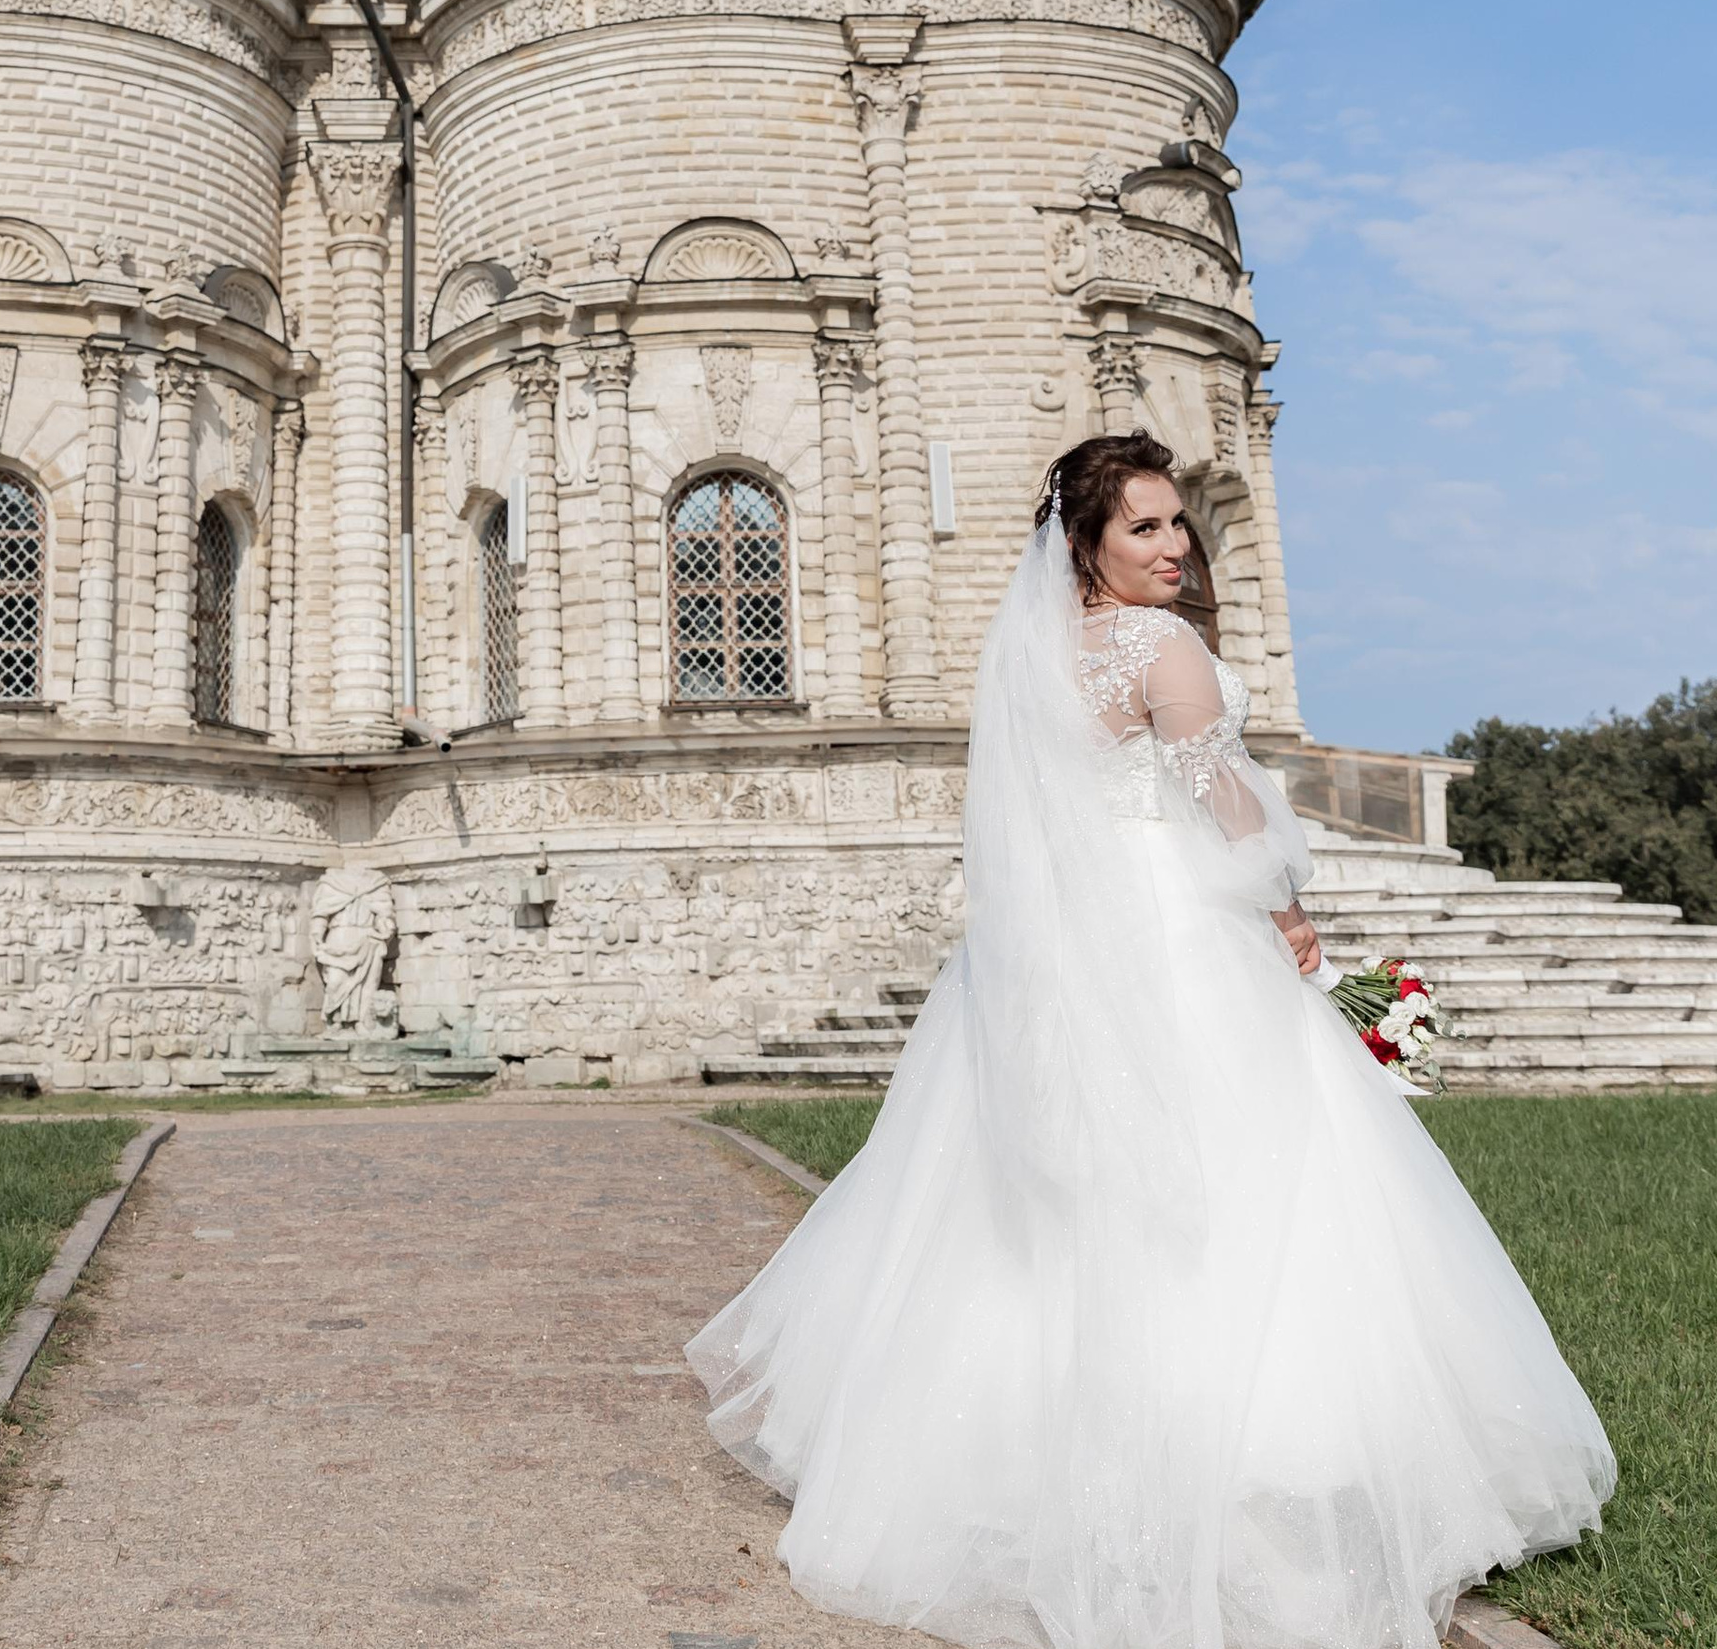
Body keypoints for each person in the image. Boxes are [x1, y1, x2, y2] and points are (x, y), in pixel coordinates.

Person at [688, 432, 1614, 1648]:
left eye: (1177, 524)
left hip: (1056, 947)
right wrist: (1294, 917)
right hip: (1179, 934)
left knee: (1037, 1198)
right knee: (1244, 1179)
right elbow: (1223, 799)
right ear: (1087, 540)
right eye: (1144, 528)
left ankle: (1011, 1463)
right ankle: (1255, 1460)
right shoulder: (1159, 646)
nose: (1173, 547)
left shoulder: (1025, 651)